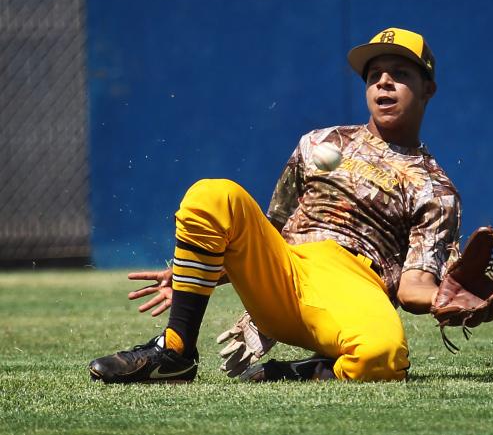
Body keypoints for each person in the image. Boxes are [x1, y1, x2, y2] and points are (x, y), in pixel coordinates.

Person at [88, 27, 460, 383]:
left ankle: (310, 370)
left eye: (400, 73)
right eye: (374, 74)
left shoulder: (436, 188)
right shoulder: (319, 143)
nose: (384, 82)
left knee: (384, 355)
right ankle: (176, 352)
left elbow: (413, 288)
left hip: (355, 286)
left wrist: (455, 298)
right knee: (213, 194)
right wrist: (198, 272)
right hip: (288, 266)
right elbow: (269, 229)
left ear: (428, 89)